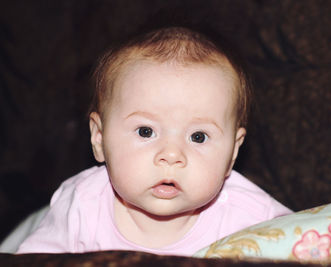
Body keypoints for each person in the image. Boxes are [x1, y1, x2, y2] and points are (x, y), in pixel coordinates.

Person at [17, 24, 291, 256]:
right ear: (99, 138)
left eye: (198, 136)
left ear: (232, 152)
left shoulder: (252, 216)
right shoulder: (82, 206)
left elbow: (315, 240)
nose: (171, 155)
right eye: (146, 131)